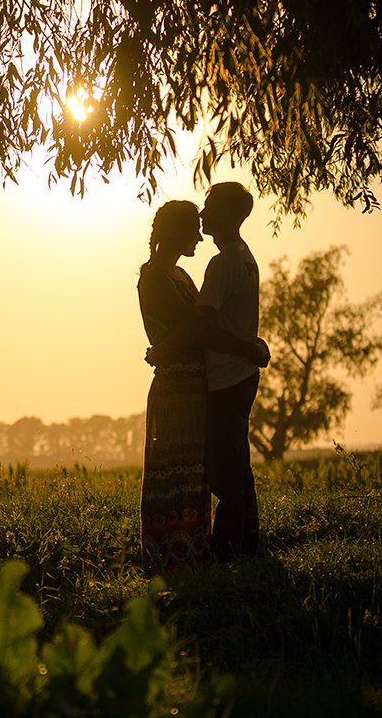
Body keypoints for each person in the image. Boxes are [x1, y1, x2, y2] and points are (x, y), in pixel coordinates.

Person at [137, 200, 267, 573]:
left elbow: (199, 326)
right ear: (175, 232)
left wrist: (162, 349)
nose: (199, 235)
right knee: (175, 468)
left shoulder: (181, 275)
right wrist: (164, 351)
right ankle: (173, 554)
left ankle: (197, 549)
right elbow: (195, 327)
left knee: (196, 468)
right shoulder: (154, 278)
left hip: (196, 383)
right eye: (192, 228)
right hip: (176, 388)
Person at [196, 181, 265, 561]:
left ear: (225, 214)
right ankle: (248, 543)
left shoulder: (223, 263)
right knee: (237, 462)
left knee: (225, 471)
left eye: (209, 209)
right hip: (240, 375)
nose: (203, 216)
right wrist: (251, 349)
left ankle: (226, 551)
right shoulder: (245, 257)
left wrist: (248, 350)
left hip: (226, 378)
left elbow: (207, 327)